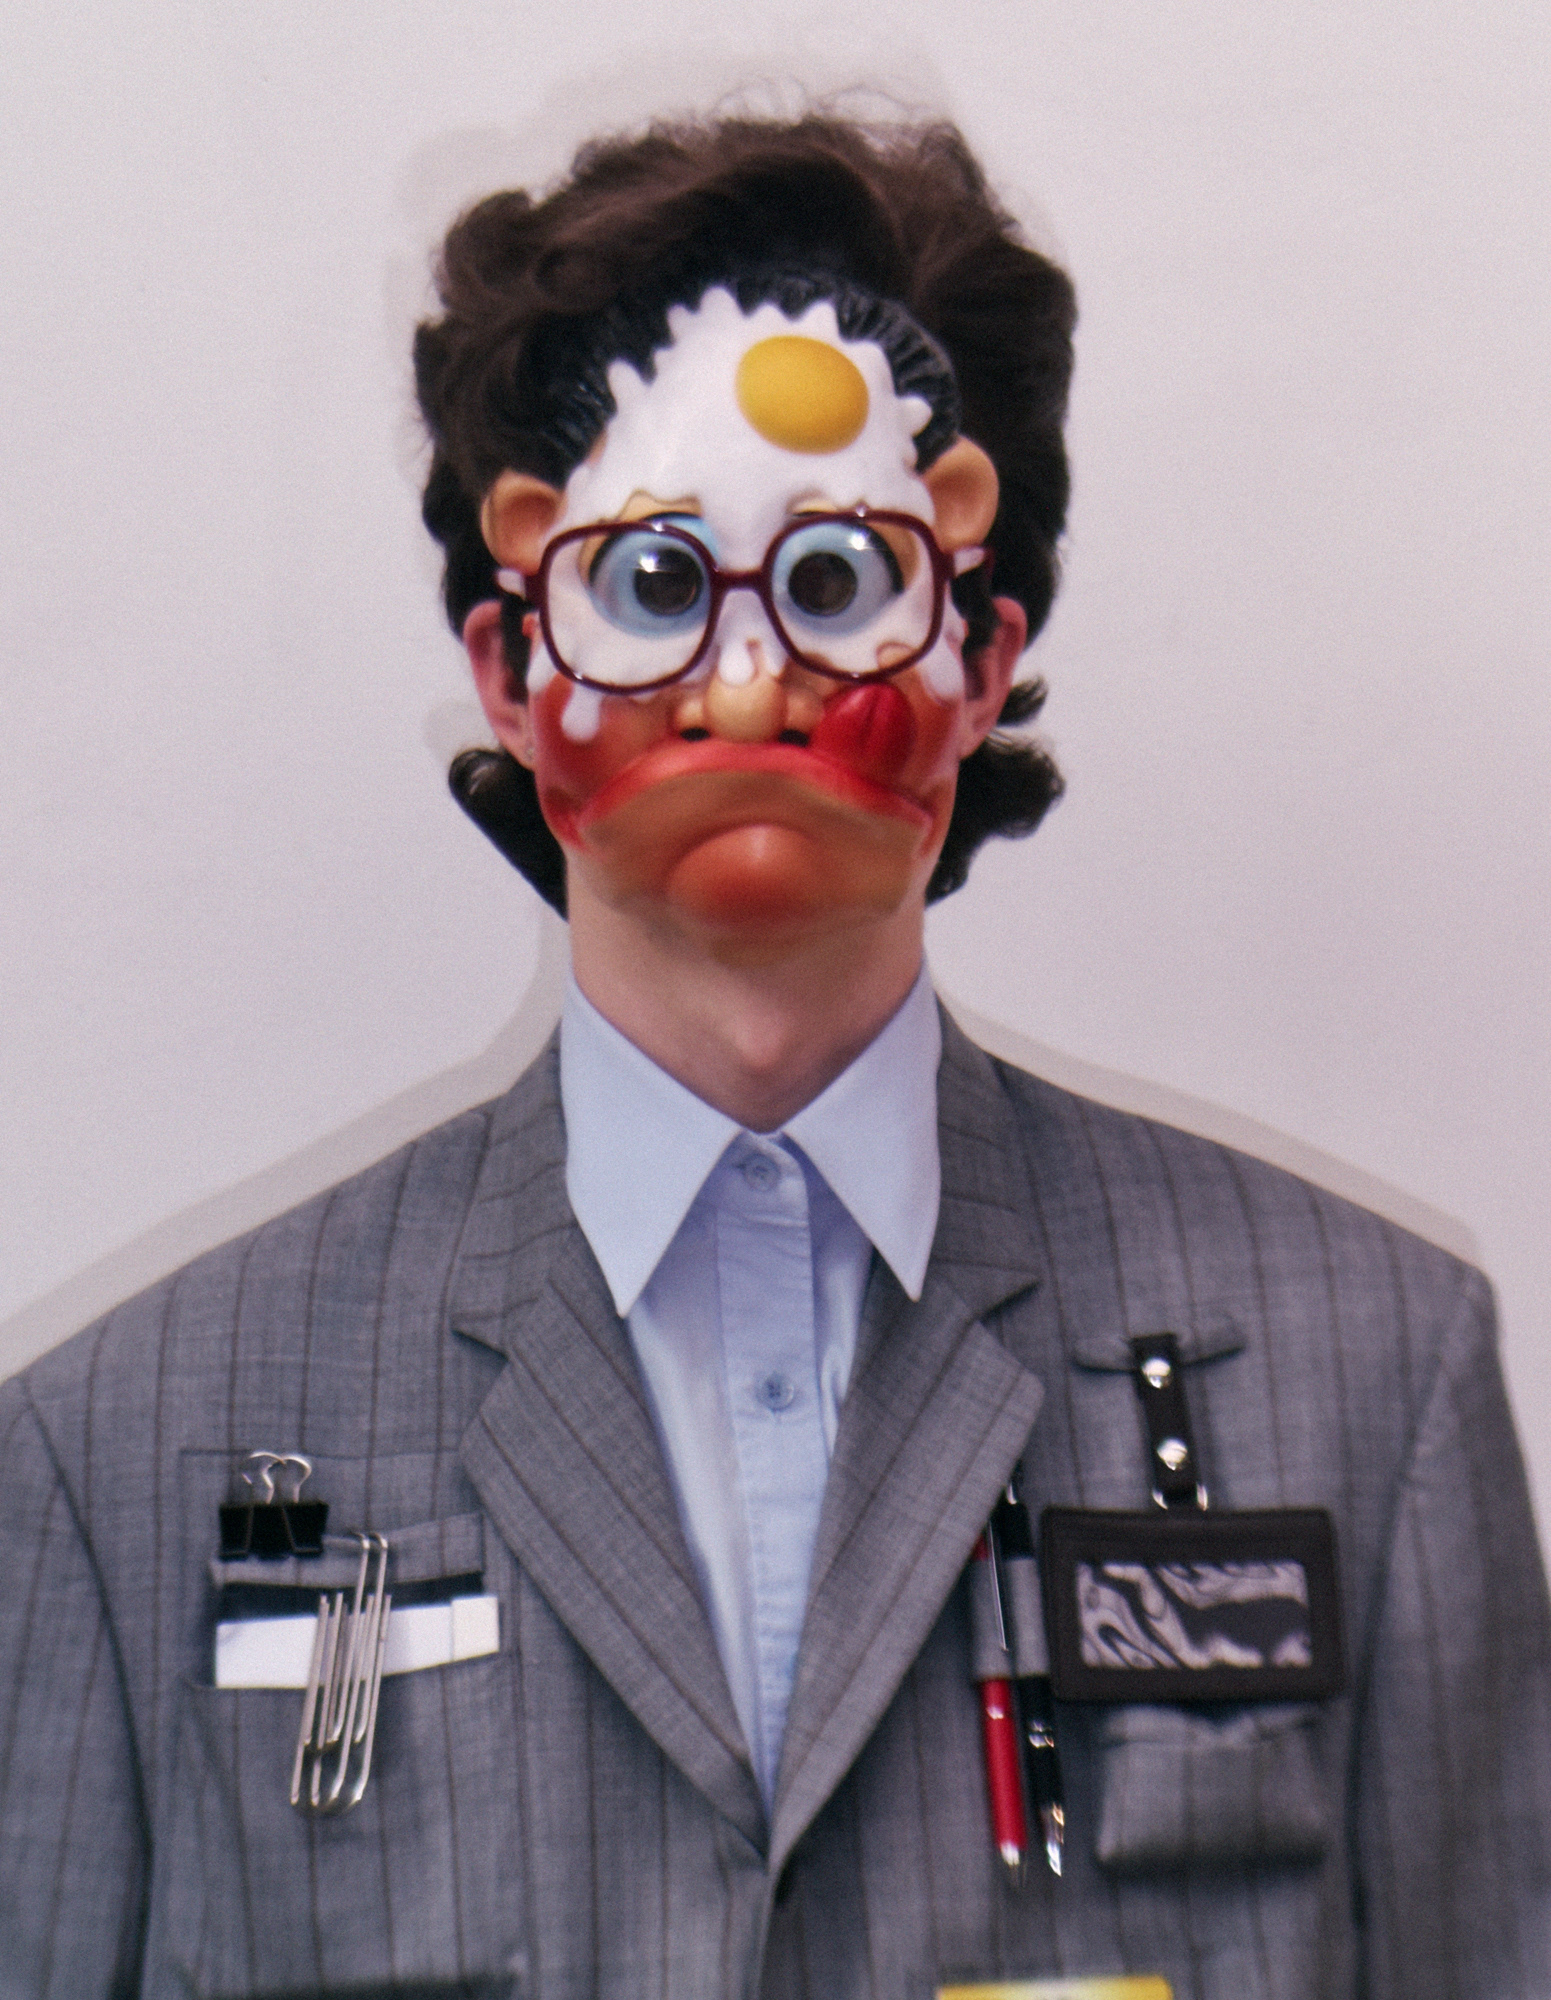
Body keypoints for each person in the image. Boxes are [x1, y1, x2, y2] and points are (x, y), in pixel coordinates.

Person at [1, 112, 1547, 2000]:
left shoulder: (1371, 1383)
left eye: (836, 586)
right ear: (510, 665)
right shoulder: (118, 1465)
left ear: (980, 656)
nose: (747, 680)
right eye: (653, 591)